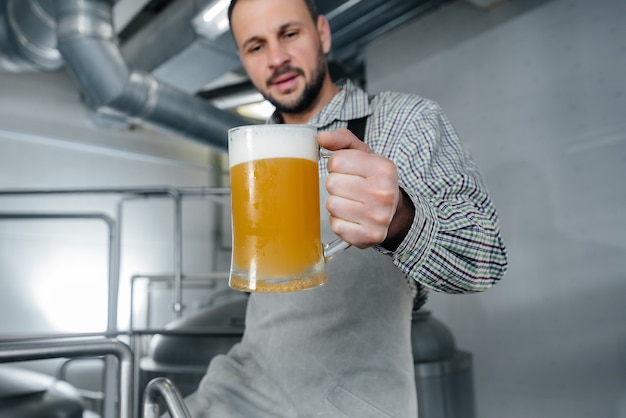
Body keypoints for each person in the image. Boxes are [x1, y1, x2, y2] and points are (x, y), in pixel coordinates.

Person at [177, 0, 508, 416]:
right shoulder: (258, 149)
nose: (277, 58)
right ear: (243, 60)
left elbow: (485, 259)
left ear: (323, 34)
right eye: (256, 46)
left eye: (290, 34)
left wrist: (402, 220)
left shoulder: (403, 121)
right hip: (238, 393)